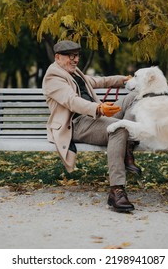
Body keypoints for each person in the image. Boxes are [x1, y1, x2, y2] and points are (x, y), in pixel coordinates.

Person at [42, 40, 141, 212]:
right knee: (119, 128)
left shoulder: (73, 73)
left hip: (94, 117)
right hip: (76, 124)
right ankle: (116, 190)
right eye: (70, 56)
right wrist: (98, 108)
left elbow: (98, 81)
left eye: (77, 55)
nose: (75, 60)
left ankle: (127, 148)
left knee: (136, 95)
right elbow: (71, 101)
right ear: (57, 57)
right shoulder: (53, 78)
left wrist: (123, 80)